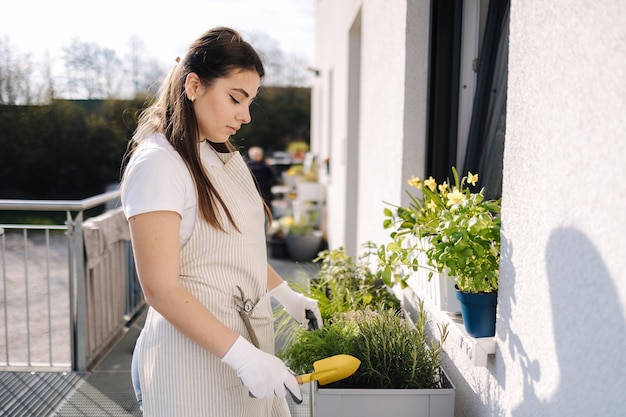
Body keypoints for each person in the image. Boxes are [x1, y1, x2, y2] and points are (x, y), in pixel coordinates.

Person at [120, 27, 322, 417]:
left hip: (242, 348)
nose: (245, 116)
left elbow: (234, 249)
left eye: (250, 102)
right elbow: (159, 288)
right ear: (193, 85)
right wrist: (244, 358)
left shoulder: (217, 154)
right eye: (235, 98)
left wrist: (286, 296)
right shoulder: (158, 165)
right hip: (189, 361)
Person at [246, 146, 277, 213]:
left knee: (267, 208)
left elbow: (271, 176)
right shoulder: (248, 166)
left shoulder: (265, 165)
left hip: (265, 190)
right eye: (255, 155)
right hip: (253, 191)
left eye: (259, 155)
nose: (257, 156)